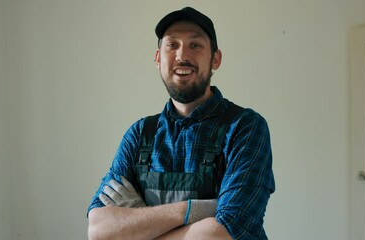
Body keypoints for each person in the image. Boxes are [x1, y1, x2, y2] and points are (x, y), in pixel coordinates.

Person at [87, 6, 275, 240]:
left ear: (215, 59)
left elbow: (221, 235)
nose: (182, 55)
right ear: (158, 59)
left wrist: (139, 223)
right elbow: (98, 228)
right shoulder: (139, 135)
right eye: (172, 45)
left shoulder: (245, 128)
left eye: (195, 45)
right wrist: (196, 210)